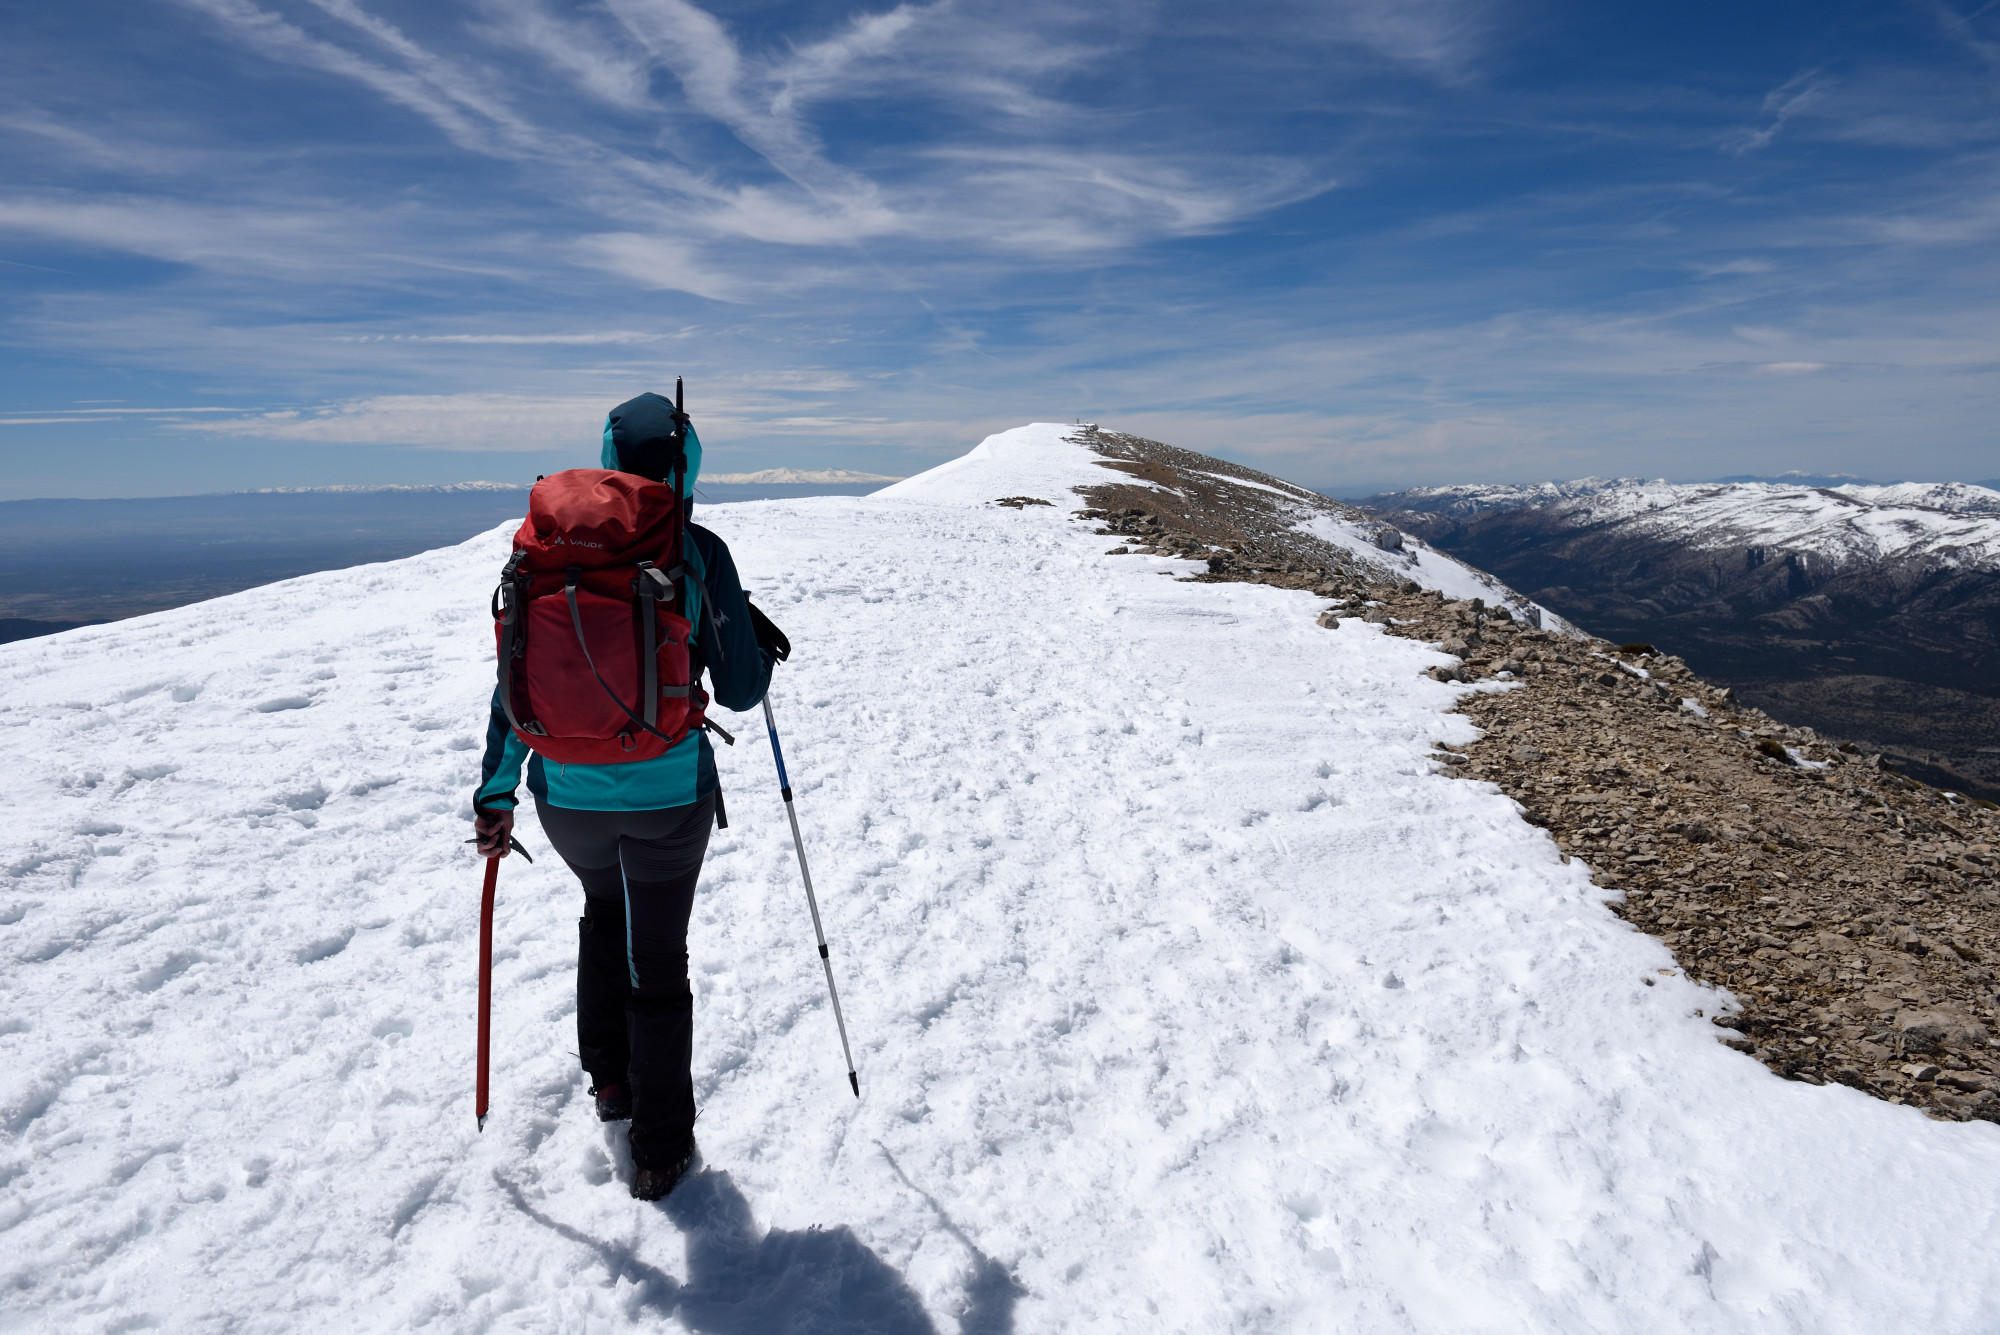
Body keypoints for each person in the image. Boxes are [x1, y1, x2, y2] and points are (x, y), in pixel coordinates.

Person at [471, 391, 774, 1201]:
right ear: (690, 464)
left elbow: (512, 687)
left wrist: (495, 797)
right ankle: (661, 1147)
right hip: (667, 795)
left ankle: (612, 1086)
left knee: (605, 916)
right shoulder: (696, 548)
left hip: (565, 798)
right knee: (658, 955)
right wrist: (750, 634)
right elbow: (742, 689)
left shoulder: (543, 552)